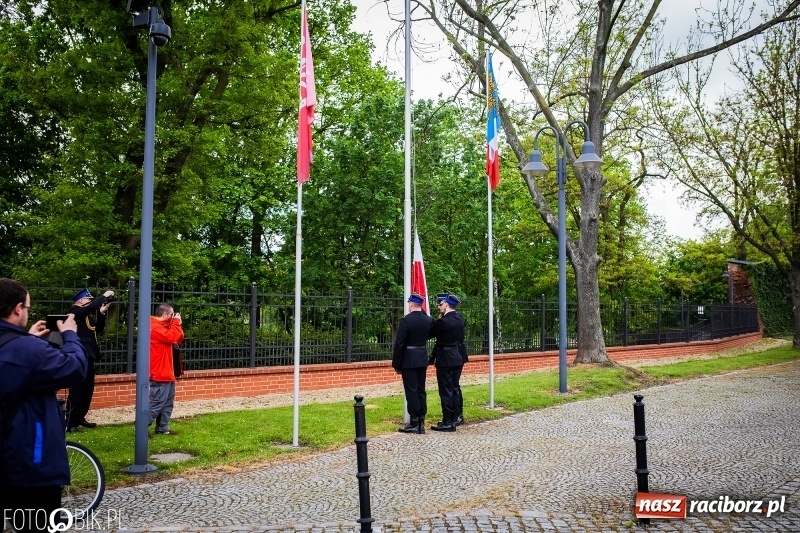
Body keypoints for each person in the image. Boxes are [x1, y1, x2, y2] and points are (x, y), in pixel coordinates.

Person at [0, 278, 87, 532]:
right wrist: (70, 335)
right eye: (27, 307)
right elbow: (75, 368)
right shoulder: (28, 350)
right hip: (30, 464)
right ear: (18, 308)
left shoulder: (20, 348)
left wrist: (25, 340)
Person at [66, 288, 114, 432]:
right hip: (80, 356)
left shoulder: (86, 316)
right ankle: (70, 422)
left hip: (89, 355)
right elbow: (90, 307)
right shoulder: (74, 311)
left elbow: (98, 329)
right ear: (81, 300)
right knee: (77, 389)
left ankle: (80, 417)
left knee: (87, 389)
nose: (90, 302)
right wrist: (103, 296)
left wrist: (102, 313)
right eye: (88, 299)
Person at [392, 293, 433, 434]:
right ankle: (421, 420)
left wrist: (396, 363)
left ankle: (415, 422)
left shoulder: (406, 321)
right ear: (421, 305)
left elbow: (399, 344)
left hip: (409, 359)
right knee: (421, 389)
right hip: (422, 358)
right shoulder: (428, 320)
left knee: (411, 390)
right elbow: (430, 334)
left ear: (410, 304)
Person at [427, 292, 467, 432]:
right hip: (457, 357)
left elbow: (429, 334)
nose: (439, 307)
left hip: (446, 358)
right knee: (454, 388)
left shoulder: (443, 322)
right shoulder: (460, 319)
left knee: (446, 390)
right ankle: (456, 417)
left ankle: (447, 421)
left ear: (447, 304)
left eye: (440, 304)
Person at [149, 303, 184, 436]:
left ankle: (162, 427)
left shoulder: (165, 326)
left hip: (168, 371)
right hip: (159, 372)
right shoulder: (154, 326)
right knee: (158, 403)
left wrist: (176, 324)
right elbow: (170, 338)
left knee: (168, 403)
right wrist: (175, 323)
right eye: (171, 314)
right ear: (165, 314)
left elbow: (178, 338)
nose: (173, 316)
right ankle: (141, 427)